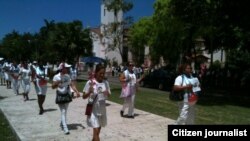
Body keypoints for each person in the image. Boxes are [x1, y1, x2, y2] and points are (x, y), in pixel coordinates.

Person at [82, 64, 111, 141]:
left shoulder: (105, 83)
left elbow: (109, 95)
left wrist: (106, 93)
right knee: (96, 133)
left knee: (97, 133)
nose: (102, 75)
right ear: (96, 72)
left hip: (102, 110)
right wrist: (89, 92)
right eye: (100, 73)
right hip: (93, 111)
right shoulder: (90, 82)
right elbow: (83, 96)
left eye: (103, 73)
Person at [52, 63, 80, 135]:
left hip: (67, 95)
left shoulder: (67, 76)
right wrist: (58, 82)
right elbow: (53, 86)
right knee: (63, 111)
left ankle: (62, 122)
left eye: (68, 68)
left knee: (65, 111)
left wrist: (77, 92)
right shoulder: (56, 76)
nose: (68, 69)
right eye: (66, 68)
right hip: (60, 95)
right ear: (62, 68)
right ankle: (65, 128)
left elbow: (71, 85)